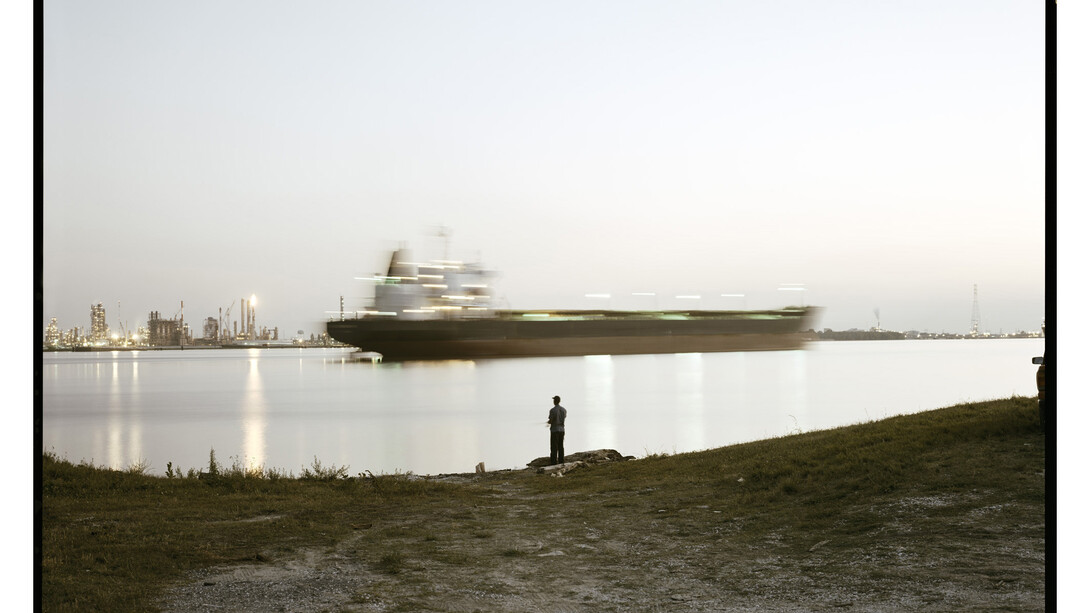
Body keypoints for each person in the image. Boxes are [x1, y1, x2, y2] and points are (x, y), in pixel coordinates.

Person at [547, 395, 567, 465]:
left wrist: (549, 422)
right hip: (562, 430)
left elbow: (551, 420)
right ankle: (561, 461)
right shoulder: (564, 410)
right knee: (561, 446)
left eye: (554, 400)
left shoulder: (552, 410)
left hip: (554, 430)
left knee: (554, 447)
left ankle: (554, 462)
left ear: (555, 401)